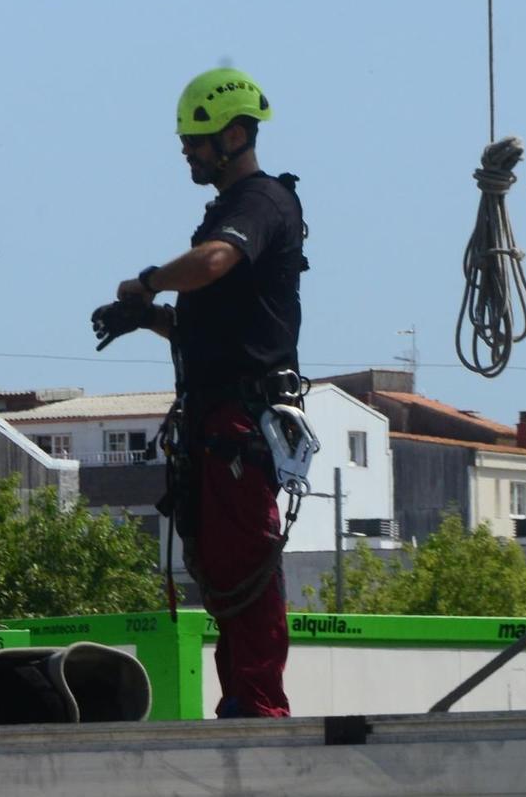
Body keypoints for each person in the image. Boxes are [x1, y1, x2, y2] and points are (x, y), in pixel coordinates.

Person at [94, 69, 306, 718]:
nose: (187, 151)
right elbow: (208, 327)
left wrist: (148, 281)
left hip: (240, 421)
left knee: (245, 562)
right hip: (216, 419)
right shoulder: (227, 210)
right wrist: (148, 319)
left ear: (234, 136)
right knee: (222, 568)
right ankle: (241, 697)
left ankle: (260, 704)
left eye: (197, 140)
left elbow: (214, 262)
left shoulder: (260, 202)